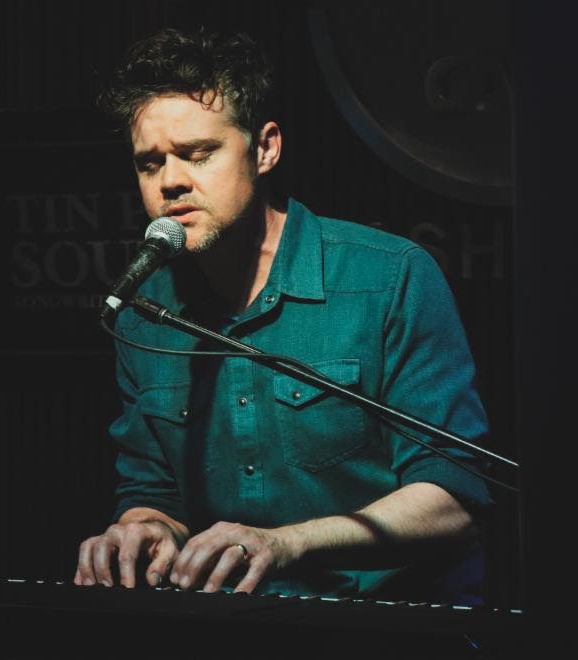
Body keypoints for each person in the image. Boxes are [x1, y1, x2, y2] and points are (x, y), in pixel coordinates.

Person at [74, 27, 493, 604]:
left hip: (392, 621)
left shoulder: (389, 277)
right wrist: (145, 527)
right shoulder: (144, 311)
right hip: (230, 625)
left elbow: (455, 497)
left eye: (198, 154)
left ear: (266, 149)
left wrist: (288, 543)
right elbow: (153, 489)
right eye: (150, 164)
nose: (170, 181)